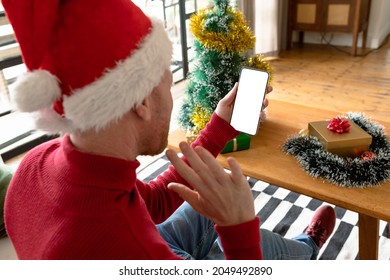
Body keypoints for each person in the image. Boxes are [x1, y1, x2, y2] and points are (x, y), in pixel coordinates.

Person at [3, 0, 336, 260]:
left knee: (202, 205)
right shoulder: (136, 253)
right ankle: (307, 250)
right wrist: (239, 231)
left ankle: (304, 246)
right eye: (167, 74)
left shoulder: (35, 164)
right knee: (224, 217)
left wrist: (219, 127)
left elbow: (157, 202)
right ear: (142, 102)